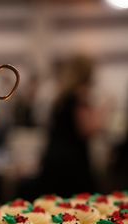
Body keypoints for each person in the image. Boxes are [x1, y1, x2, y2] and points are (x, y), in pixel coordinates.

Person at [38, 55, 108, 197]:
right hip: (72, 163)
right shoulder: (80, 95)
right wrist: (105, 109)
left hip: (54, 158)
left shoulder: (61, 95)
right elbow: (87, 129)